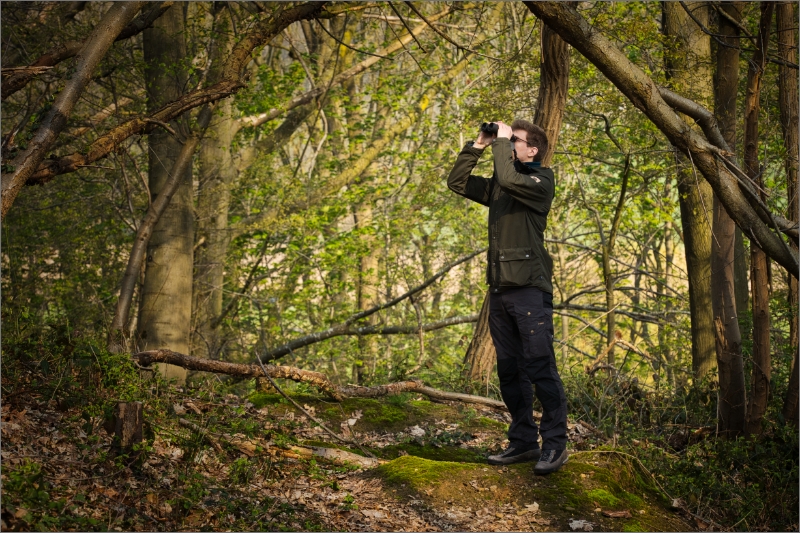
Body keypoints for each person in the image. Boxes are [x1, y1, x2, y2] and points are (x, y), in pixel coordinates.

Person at [447, 119, 568, 475]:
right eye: (508, 139)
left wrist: (501, 145)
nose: (509, 143)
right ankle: (524, 442)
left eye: (514, 140)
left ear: (533, 150)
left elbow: (512, 178)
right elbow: (457, 183)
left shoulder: (540, 181)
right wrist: (478, 145)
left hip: (530, 290)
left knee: (540, 368)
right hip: (500, 290)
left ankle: (556, 446)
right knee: (509, 371)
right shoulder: (503, 184)